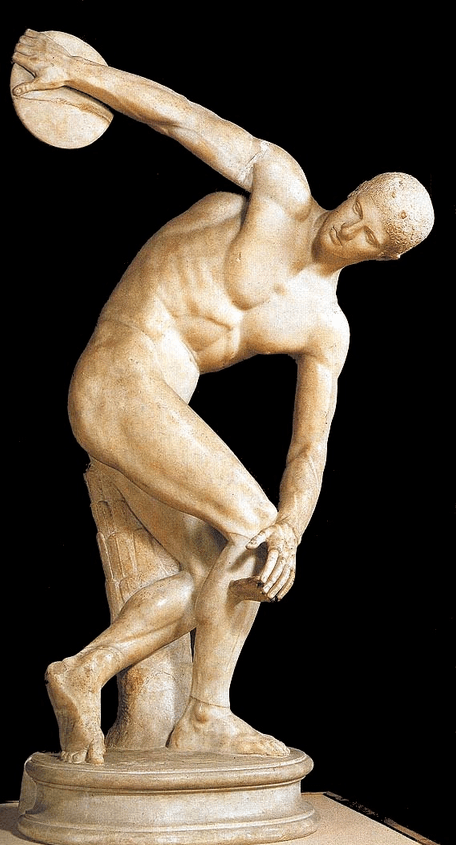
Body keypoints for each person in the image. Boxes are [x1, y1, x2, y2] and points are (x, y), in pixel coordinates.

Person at [13, 29, 434, 765]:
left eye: (369, 236)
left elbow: (309, 447)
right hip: (118, 373)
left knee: (230, 567)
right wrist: (80, 71)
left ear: (385, 257)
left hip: (155, 413)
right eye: (359, 207)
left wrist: (291, 530)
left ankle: (82, 674)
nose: (349, 227)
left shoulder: (324, 327)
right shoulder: (281, 189)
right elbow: (180, 118)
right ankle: (208, 715)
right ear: (356, 189)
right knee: (251, 527)